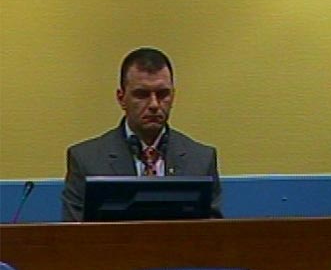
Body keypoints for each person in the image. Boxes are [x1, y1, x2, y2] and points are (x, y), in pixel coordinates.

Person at [61, 47, 222, 221]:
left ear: (173, 96)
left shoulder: (201, 159)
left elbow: (213, 237)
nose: (154, 104)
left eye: (162, 94)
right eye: (142, 94)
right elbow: (73, 239)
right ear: (121, 98)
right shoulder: (86, 160)